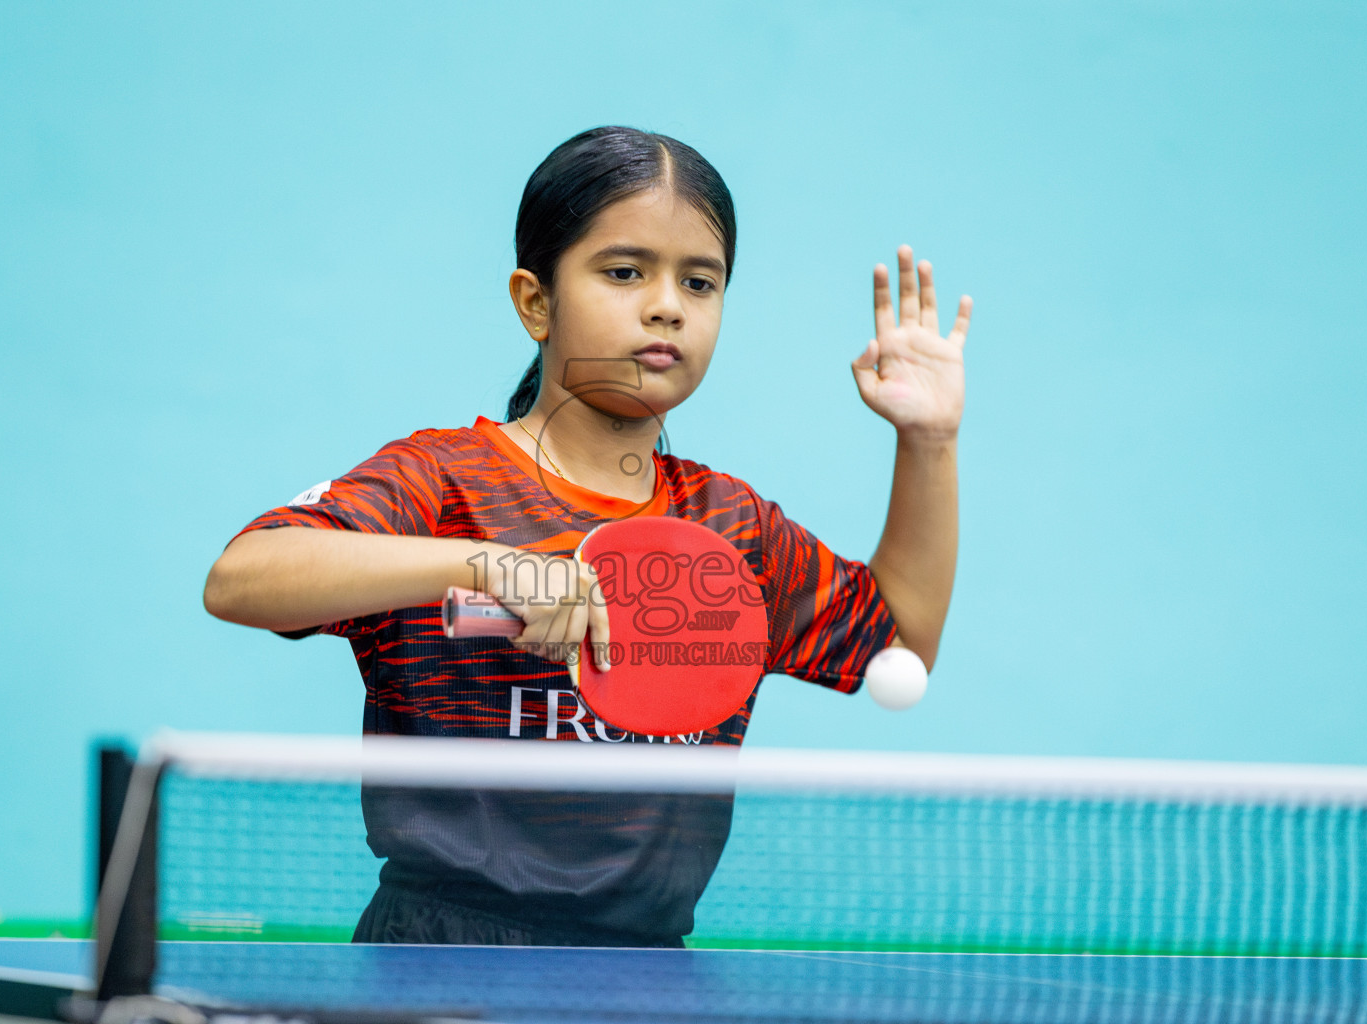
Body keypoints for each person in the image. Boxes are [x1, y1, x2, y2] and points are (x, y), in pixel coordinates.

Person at [203, 125, 971, 947]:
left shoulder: (731, 529)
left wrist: (928, 443)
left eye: (700, 282)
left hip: (643, 971)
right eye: (624, 271)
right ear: (536, 301)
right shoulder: (444, 480)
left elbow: (899, 647)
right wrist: (492, 565)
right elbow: (243, 577)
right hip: (438, 955)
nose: (666, 303)